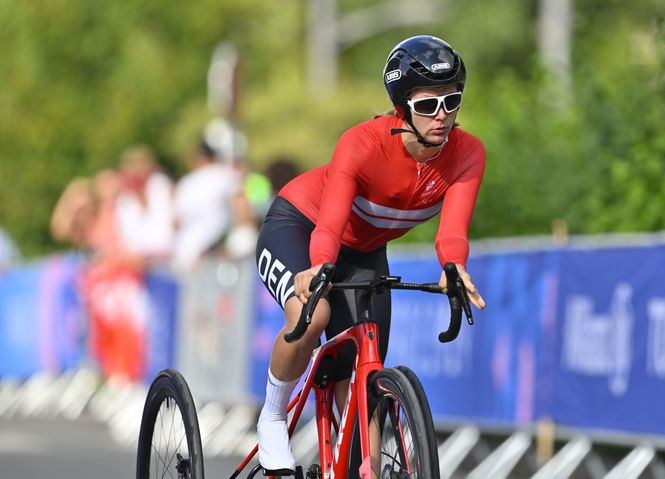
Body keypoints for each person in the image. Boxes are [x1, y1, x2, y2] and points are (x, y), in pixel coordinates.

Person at [254, 35, 487, 474]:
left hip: (364, 248)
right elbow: (329, 226)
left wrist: (453, 268)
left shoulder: (468, 153)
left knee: (363, 369)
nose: (442, 116)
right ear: (402, 107)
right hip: (300, 225)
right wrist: (319, 265)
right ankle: (272, 416)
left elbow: (452, 233)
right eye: (427, 106)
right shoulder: (362, 144)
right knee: (314, 314)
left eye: (451, 101)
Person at [173, 139, 239, 269]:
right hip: (214, 251)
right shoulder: (225, 175)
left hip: (185, 252)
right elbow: (240, 205)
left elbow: (176, 221)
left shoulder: (185, 183)